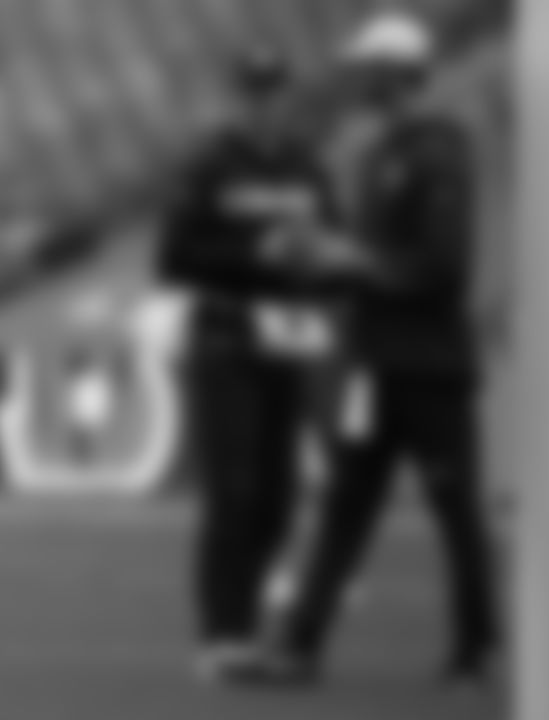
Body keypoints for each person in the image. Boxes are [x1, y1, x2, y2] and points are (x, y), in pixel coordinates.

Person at [236, 12, 501, 686]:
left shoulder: (440, 152)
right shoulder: (381, 152)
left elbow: (443, 269)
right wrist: (310, 260)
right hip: (376, 366)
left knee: (455, 510)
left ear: (395, 73)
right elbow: (367, 264)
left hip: (431, 369)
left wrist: (348, 258)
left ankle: (478, 646)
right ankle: (299, 647)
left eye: (368, 69)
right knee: (346, 507)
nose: (356, 79)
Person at [150, 48, 343, 681]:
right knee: (231, 491)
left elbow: (335, 243)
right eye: (253, 93)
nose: (263, 104)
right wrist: (256, 253)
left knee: (277, 499)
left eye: (273, 92)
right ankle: (220, 635)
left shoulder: (308, 167)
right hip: (226, 336)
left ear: (288, 97)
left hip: (286, 341)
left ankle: (243, 620)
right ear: (237, 99)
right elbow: (172, 257)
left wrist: (320, 262)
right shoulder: (209, 164)